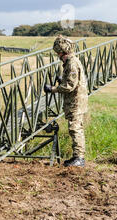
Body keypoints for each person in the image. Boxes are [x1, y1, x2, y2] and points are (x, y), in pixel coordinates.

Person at [45, 35, 88, 168]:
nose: (58, 56)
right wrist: (61, 79)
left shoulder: (72, 63)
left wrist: (53, 89)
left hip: (76, 101)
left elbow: (70, 85)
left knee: (75, 128)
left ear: (63, 52)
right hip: (74, 100)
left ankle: (79, 158)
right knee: (75, 127)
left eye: (59, 53)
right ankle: (77, 157)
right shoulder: (71, 62)